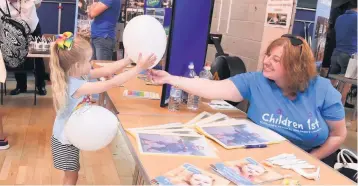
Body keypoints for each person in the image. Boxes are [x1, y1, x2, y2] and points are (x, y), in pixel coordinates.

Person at [149, 35, 347, 162]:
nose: (267, 61)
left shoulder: (322, 90)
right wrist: (170, 78)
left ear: (295, 66)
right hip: (261, 158)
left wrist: (311, 159)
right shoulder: (255, 81)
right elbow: (210, 88)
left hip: (306, 161)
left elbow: (338, 135)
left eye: (276, 59)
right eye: (268, 55)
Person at [49, 34, 156, 185]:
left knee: (72, 175)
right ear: (77, 65)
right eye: (88, 61)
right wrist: (139, 68)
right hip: (64, 140)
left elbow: (107, 71)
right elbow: (110, 83)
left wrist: (128, 59)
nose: (91, 64)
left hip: (69, 134)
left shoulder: (79, 75)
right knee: (71, 177)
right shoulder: (75, 85)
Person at [0, 0, 47, 96]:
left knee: (38, 57)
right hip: (15, 31)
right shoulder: (2, 2)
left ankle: (41, 85)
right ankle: (21, 86)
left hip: (33, 28)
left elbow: (38, 3)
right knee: (16, 56)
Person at [329, 0, 357, 108]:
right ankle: (340, 107)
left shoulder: (339, 18)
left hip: (336, 53)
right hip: (350, 55)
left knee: (332, 83)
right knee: (347, 83)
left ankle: (326, 105)